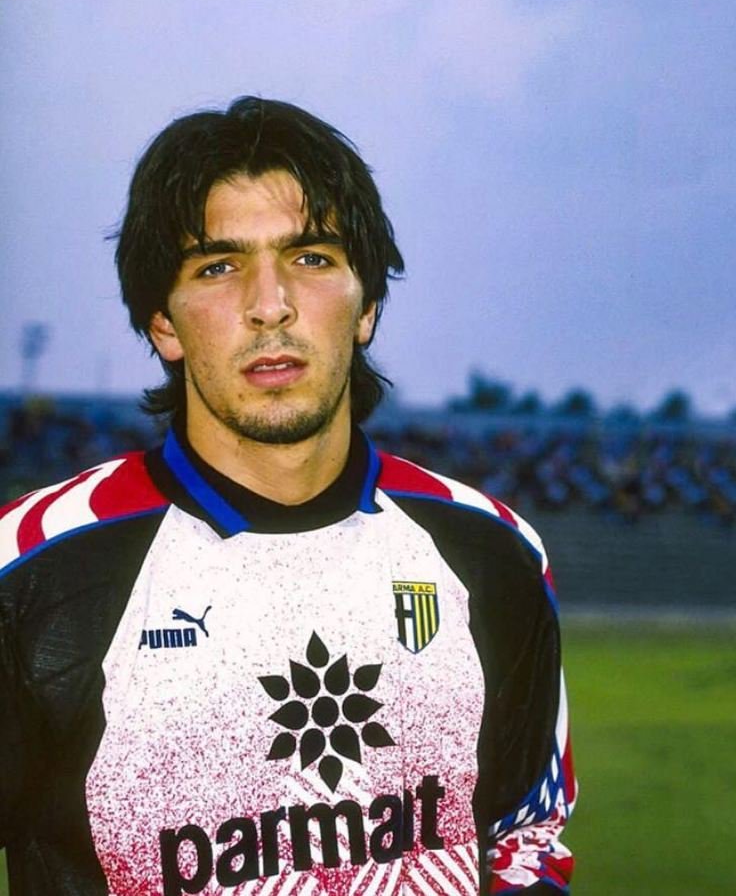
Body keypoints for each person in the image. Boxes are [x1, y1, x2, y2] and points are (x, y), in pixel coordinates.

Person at [0, 97, 576, 895]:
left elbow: (524, 840)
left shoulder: (492, 549)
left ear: (366, 304)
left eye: (309, 257)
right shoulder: (27, 568)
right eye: (217, 265)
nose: (269, 304)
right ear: (163, 322)